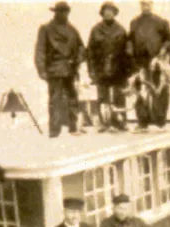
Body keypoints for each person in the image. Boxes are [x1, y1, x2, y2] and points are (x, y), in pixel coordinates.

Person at [35, 1, 86, 138]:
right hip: (55, 69)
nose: (63, 14)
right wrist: (42, 70)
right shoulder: (46, 29)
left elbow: (81, 48)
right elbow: (40, 50)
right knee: (55, 100)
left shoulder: (72, 29)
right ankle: (54, 130)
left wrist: (78, 59)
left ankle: (73, 127)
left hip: (70, 69)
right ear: (55, 12)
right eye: (60, 11)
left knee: (72, 98)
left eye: (65, 11)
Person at [128, 0, 170, 130]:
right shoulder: (134, 22)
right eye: (143, 4)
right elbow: (130, 40)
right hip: (140, 62)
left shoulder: (161, 22)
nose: (145, 6)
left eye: (147, 4)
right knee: (140, 90)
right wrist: (130, 53)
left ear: (152, 5)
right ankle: (143, 121)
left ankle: (160, 121)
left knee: (159, 90)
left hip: (156, 63)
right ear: (140, 5)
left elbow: (169, 40)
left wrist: (163, 50)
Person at [87, 1, 129, 132]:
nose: (108, 13)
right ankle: (104, 123)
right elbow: (90, 52)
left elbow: (127, 52)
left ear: (114, 13)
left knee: (119, 96)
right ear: (102, 13)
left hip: (118, 69)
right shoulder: (95, 30)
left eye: (111, 11)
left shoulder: (121, 30)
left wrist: (127, 72)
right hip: (101, 68)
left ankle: (120, 122)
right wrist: (92, 71)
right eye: (106, 11)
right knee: (102, 97)